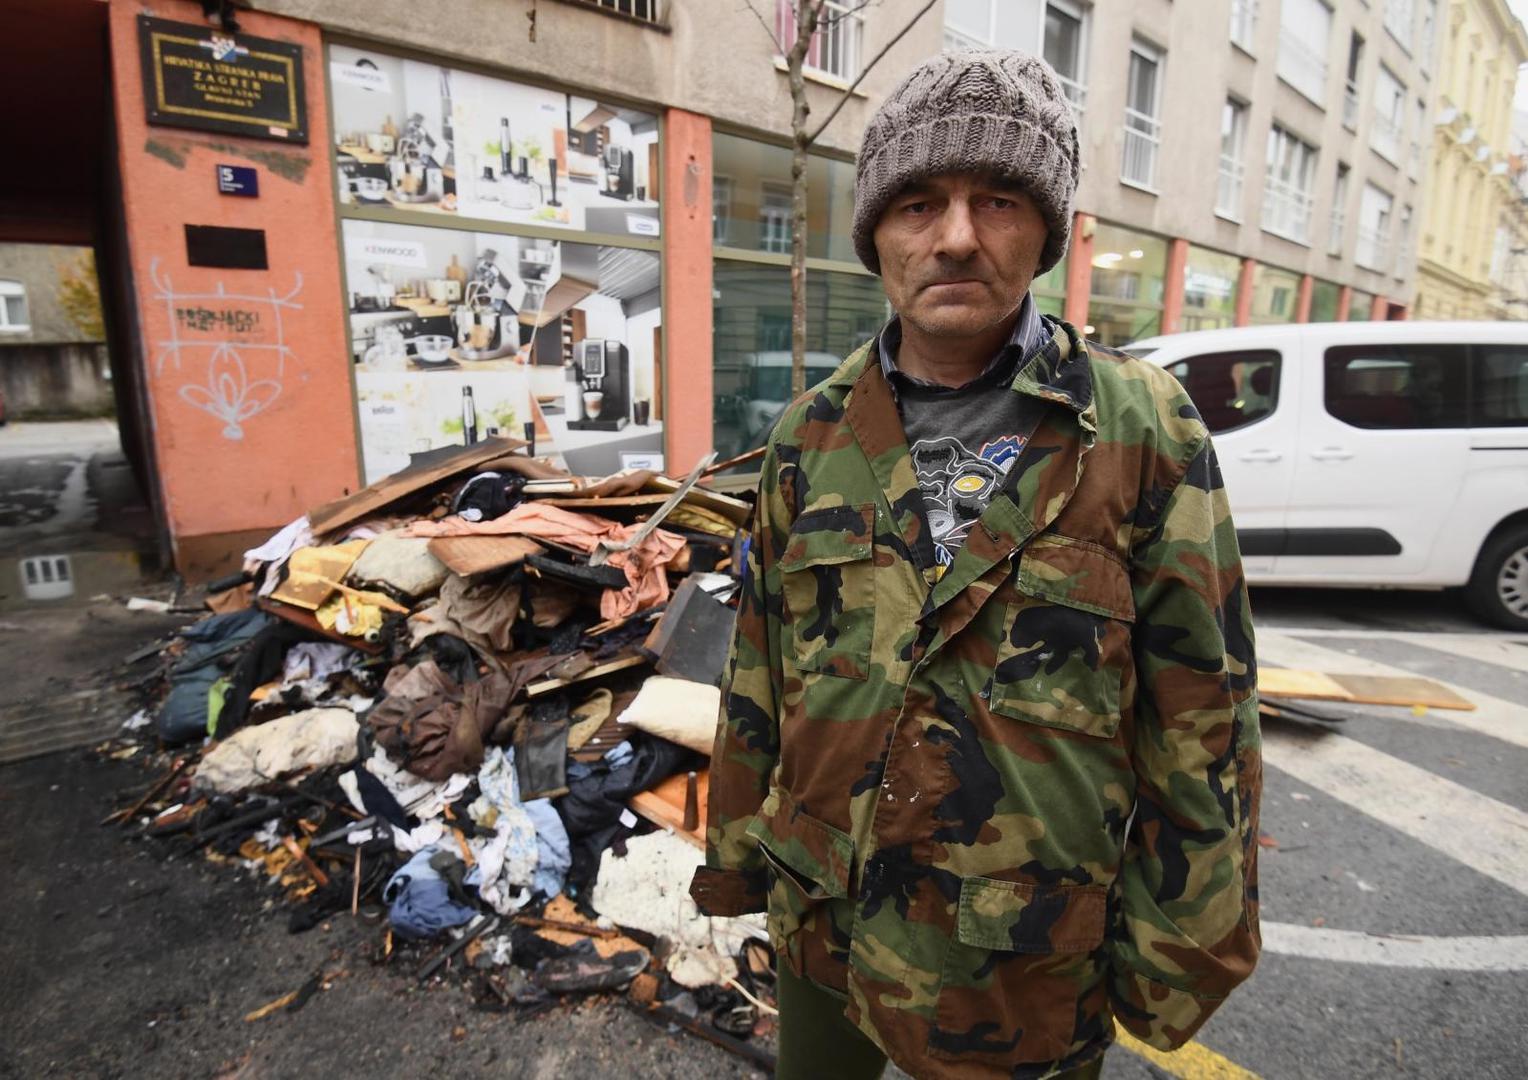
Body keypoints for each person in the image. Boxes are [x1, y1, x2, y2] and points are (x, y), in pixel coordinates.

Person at [690, 48, 1262, 1080]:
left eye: (997, 198)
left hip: (1022, 965)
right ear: (875, 233)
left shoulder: (1141, 430)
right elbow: (758, 676)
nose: (955, 237)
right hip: (827, 922)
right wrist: (736, 860)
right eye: (918, 203)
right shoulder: (809, 436)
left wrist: (1180, 948)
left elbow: (1204, 711)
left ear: (1045, 228)